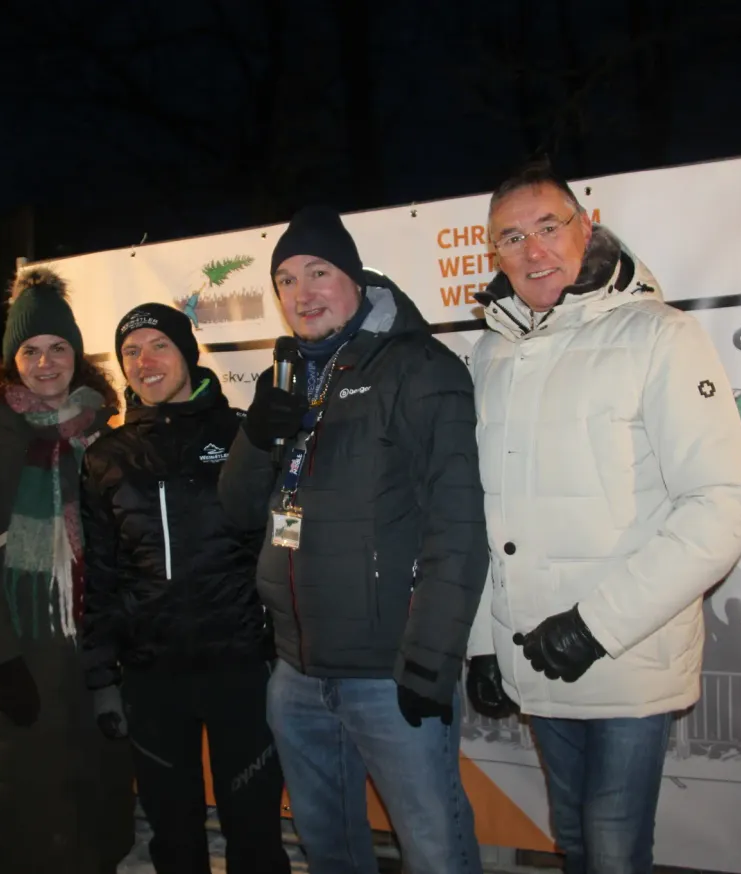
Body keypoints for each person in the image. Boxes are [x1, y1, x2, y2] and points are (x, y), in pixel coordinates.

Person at [465, 158, 741, 874]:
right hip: (533, 653)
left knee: (613, 849)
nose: (533, 250)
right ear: (495, 254)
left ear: (586, 227)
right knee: (573, 838)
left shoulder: (660, 334)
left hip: (627, 653)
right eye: (511, 238)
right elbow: (483, 509)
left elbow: (721, 503)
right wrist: (483, 642)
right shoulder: (492, 352)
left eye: (548, 227)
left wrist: (595, 626)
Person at [218, 206, 488, 874]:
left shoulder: (420, 368)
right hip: (297, 672)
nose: (302, 293)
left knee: (435, 847)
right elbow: (238, 510)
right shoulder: (285, 377)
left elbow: (458, 524)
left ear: (356, 279)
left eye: (319, 272)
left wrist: (429, 662)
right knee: (329, 848)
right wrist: (255, 437)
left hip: (388, 672)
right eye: (286, 280)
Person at [0, 268, 136, 873]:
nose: (45, 363)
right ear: (11, 362)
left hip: (95, 656)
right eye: (30, 351)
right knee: (26, 813)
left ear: (77, 356)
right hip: (21, 651)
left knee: (96, 805)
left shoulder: (104, 437)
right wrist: (2, 660)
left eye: (57, 348)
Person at [79, 303, 291, 874]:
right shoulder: (106, 457)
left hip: (241, 667)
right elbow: (100, 573)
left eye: (159, 346)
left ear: (188, 354)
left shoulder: (242, 434)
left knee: (254, 832)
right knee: (173, 836)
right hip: (152, 675)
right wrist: (101, 679)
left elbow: (282, 543)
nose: (144, 361)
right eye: (131, 351)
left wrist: (285, 649)